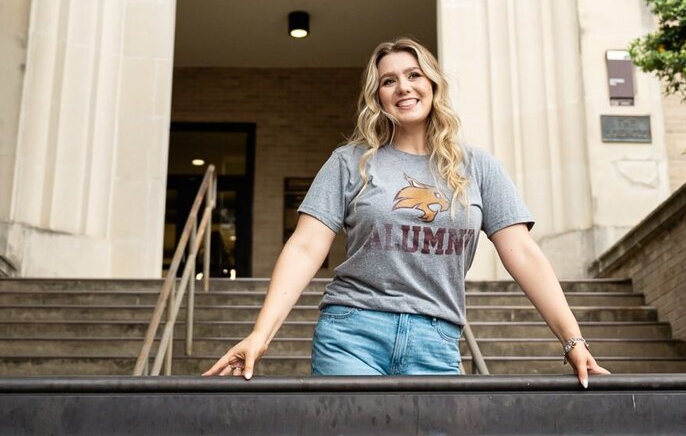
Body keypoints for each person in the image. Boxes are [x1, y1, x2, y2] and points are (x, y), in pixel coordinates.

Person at [204, 37, 609, 385]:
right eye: (389, 80)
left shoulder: (479, 167)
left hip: (436, 341)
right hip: (352, 333)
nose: (403, 87)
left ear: (432, 83)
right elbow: (306, 247)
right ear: (377, 96)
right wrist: (261, 333)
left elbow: (522, 253)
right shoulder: (350, 162)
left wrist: (572, 339)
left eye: (414, 74)